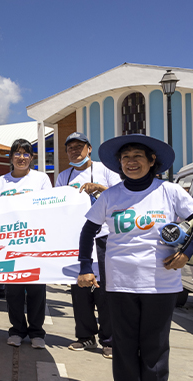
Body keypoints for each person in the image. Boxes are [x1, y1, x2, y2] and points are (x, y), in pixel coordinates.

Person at [77, 134, 193, 381]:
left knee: (155, 347)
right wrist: (84, 267)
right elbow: (87, 231)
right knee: (124, 345)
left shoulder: (169, 191)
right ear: (119, 164)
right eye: (125, 157)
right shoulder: (110, 196)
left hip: (161, 285)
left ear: (152, 161)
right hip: (119, 283)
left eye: (137, 156)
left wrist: (186, 254)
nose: (131, 162)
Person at [55, 132, 121, 359]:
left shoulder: (107, 170)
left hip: (103, 237)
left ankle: (109, 340)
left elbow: (121, 197)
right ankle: (85, 337)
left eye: (79, 146)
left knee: (103, 290)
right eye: (70, 148)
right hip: (77, 239)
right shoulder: (64, 176)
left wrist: (100, 188)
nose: (75, 151)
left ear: (89, 148)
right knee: (81, 289)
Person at [0, 138, 52, 349]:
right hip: (9, 244)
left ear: (31, 158)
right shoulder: (1, 182)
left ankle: (37, 332)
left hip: (34, 242)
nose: (21, 157)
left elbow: (48, 208)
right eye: (17, 153)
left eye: (26, 154)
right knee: (14, 291)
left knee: (36, 289)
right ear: (10, 157)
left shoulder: (41, 179)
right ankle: (17, 330)